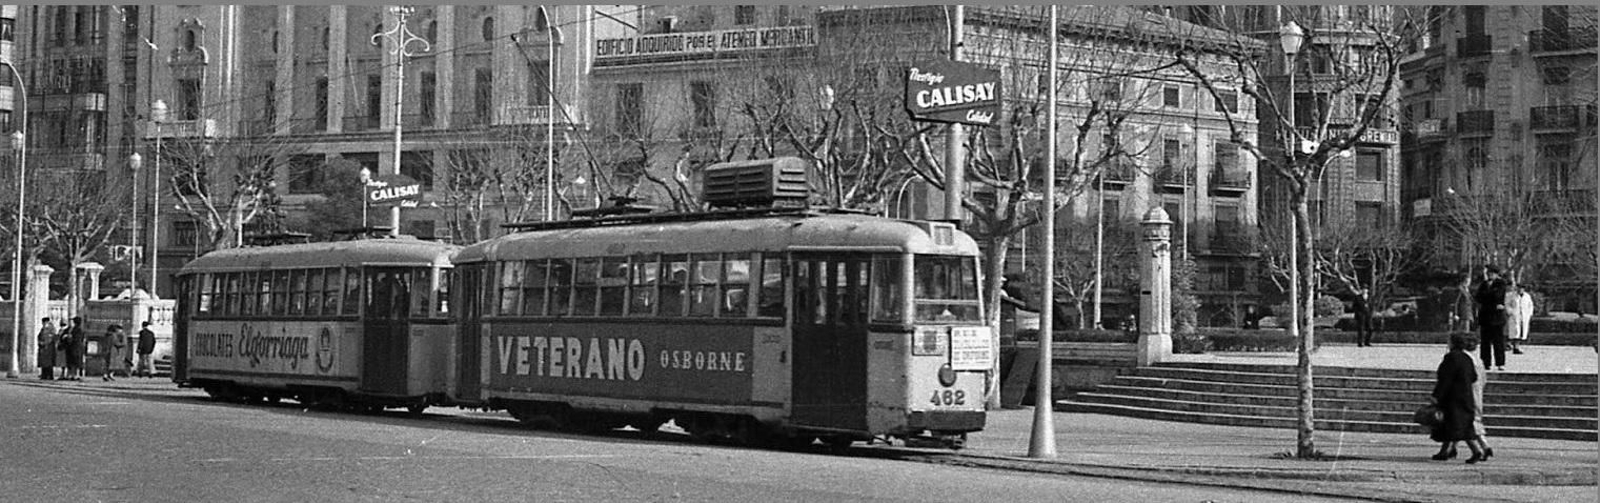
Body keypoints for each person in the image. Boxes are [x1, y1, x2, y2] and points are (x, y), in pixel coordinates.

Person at [1431, 332, 1491, 463]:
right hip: (1467, 396)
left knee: (1458, 426)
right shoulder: (1467, 358)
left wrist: (1436, 395)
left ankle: (1476, 450)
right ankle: (1446, 451)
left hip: (1453, 398)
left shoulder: (1451, 358)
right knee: (1458, 425)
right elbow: (1474, 377)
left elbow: (1445, 379)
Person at [1472, 266, 1510, 371]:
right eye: (1488, 273)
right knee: (1485, 342)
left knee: (1498, 341)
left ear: (1496, 274)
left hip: (1497, 318)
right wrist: (1489, 297)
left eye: (1491, 273)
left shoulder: (1501, 283)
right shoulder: (1484, 284)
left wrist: (1488, 297)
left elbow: (1497, 295)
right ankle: (1486, 362)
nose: (1489, 275)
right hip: (1485, 317)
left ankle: (1500, 362)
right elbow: (1478, 297)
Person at [1505, 286, 1534, 355]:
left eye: (1522, 288)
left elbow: (1530, 305)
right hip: (1514, 316)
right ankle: (1512, 346)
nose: (1520, 290)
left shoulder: (1527, 296)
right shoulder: (1511, 296)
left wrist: (1529, 314)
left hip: (1524, 316)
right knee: (1514, 332)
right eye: (1519, 288)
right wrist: (1510, 312)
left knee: (1521, 332)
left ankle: (1515, 346)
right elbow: (1507, 304)